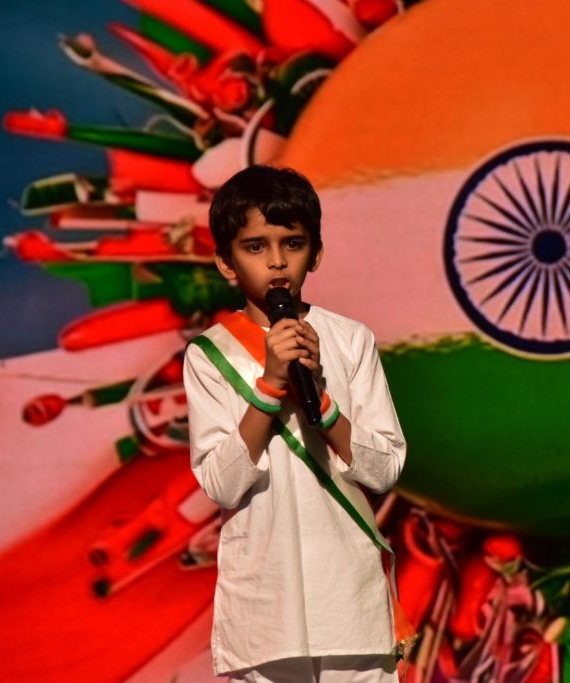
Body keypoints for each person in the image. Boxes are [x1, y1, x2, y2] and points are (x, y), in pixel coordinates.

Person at [183, 165, 409, 683]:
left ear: (317, 253)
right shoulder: (209, 355)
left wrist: (323, 405)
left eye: (293, 243)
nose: (277, 261)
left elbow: (385, 470)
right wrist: (268, 386)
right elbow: (221, 484)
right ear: (225, 262)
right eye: (255, 247)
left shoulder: (350, 340)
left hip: (350, 603)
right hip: (265, 609)